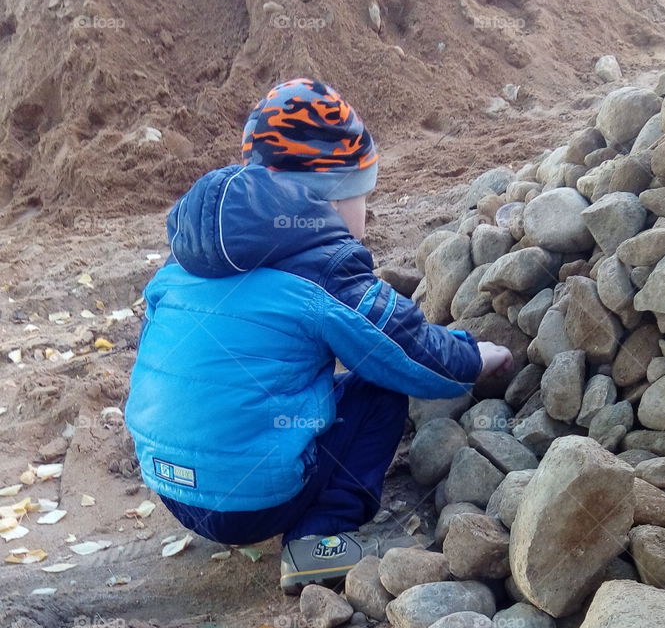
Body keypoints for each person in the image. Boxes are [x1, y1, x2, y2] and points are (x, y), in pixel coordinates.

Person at [125, 78, 513, 591]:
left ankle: (237, 487)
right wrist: (473, 356)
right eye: (362, 195)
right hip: (253, 505)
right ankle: (317, 547)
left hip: (171, 486)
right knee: (379, 388)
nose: (365, 212)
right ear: (329, 200)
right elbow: (407, 350)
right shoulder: (326, 268)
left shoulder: (189, 253)